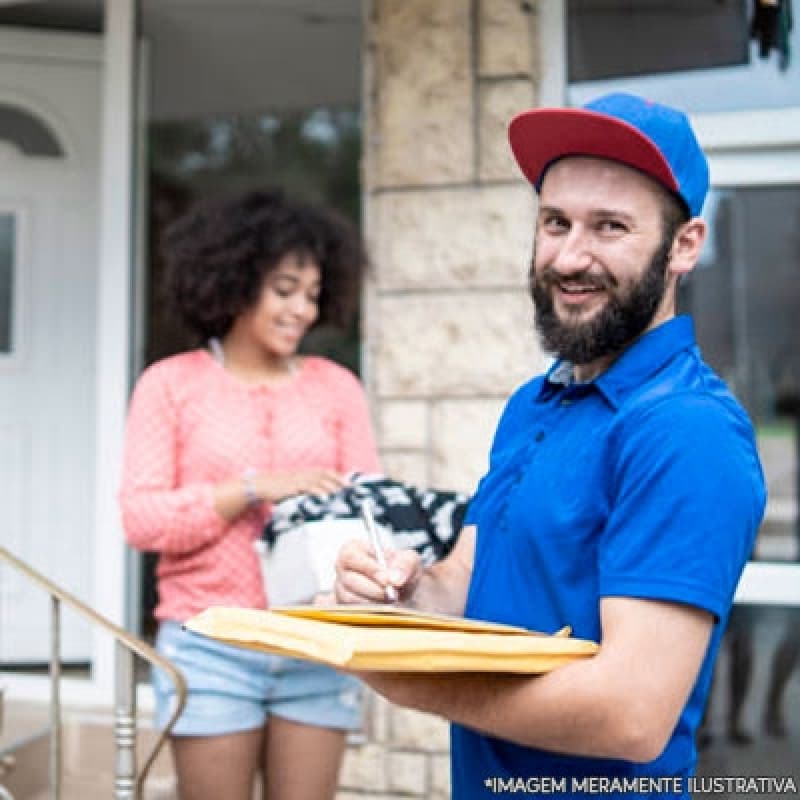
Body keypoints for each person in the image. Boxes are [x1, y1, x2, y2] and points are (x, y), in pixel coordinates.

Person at [334, 93, 767, 798]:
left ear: (684, 245)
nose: (571, 256)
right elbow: (464, 586)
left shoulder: (687, 431)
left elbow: (632, 714)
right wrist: (402, 594)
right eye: (555, 222)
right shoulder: (533, 404)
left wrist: (408, 679)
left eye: (610, 227)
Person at [119, 188, 381, 800]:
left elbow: (370, 504)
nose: (302, 310)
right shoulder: (170, 385)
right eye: (284, 289)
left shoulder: (336, 388)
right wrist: (251, 488)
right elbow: (142, 519)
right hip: (211, 644)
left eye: (313, 294)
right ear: (234, 282)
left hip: (317, 642)